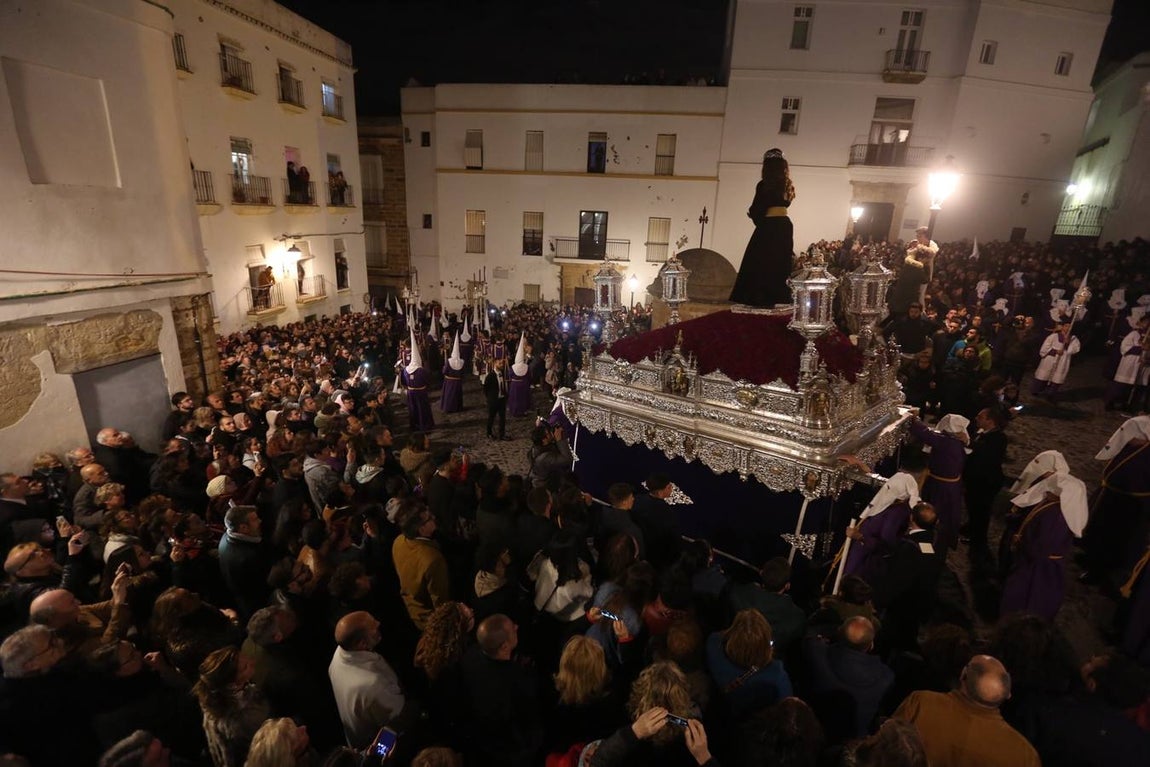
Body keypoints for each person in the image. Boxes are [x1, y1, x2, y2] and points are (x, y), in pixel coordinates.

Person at [892, 655, 1040, 767]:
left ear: (963, 674)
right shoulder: (1025, 755)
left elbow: (886, 750)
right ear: (1008, 694)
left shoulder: (920, 703)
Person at [999, 471, 1087, 621]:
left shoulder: (1057, 516)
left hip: (1039, 568)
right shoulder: (1051, 505)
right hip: (1031, 560)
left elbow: (1041, 548)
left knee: (1029, 598)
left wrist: (1021, 544)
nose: (1047, 490)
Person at [327, 611, 412, 749]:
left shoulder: (338, 655)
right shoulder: (373, 685)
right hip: (380, 744)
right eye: (374, 627)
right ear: (362, 644)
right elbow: (399, 718)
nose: (378, 623)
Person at [728, 148, 796, 308]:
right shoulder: (788, 185)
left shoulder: (764, 185)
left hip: (768, 225)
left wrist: (754, 215)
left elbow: (758, 207)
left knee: (759, 260)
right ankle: (778, 296)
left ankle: (758, 297)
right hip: (785, 225)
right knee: (779, 261)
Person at [909, 414, 968, 547]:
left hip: (940, 486)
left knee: (935, 513)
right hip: (953, 486)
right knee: (949, 514)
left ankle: (932, 541)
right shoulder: (959, 441)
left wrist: (914, 419)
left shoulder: (945, 442)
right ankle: (945, 541)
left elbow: (923, 433)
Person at [963, 406, 1008, 555]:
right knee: (973, 509)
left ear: (990, 421)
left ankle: (978, 543)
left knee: (981, 512)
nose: (976, 419)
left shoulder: (999, 438)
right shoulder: (982, 433)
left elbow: (987, 453)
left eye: (980, 417)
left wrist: (968, 442)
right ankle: (971, 531)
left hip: (986, 482)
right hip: (975, 480)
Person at [1032, 318, 1080, 399]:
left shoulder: (1073, 339)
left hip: (1062, 360)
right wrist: (1055, 351)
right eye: (1066, 326)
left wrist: (1067, 344)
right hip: (1050, 358)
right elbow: (1045, 348)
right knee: (1044, 375)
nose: (1068, 328)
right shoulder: (1053, 336)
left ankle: (1050, 394)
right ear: (1063, 327)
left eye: (1070, 326)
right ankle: (1036, 390)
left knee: (1056, 378)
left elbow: (1075, 349)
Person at [402, 325, 436, 433]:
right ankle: (425, 424)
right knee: (423, 409)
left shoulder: (406, 370)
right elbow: (427, 380)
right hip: (421, 393)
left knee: (413, 409)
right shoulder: (421, 371)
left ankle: (415, 425)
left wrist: (408, 387)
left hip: (411, 393)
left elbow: (403, 381)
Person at [905, 225, 939, 306]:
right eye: (917, 236)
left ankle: (921, 310)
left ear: (925, 235)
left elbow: (932, 253)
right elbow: (909, 253)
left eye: (919, 236)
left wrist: (918, 247)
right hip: (914, 271)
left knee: (920, 294)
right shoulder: (917, 243)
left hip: (925, 272)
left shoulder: (932, 244)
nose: (917, 237)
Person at [483, 357, 510, 440]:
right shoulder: (490, 376)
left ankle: (502, 434)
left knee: (502, 418)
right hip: (494, 400)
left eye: (502, 363)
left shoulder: (502, 374)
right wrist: (490, 398)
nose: (501, 365)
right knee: (491, 417)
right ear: (495, 364)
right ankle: (489, 433)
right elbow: (485, 388)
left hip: (501, 399)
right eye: (499, 363)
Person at [507, 331, 532, 417]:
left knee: (515, 398)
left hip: (515, 384)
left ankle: (515, 411)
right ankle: (523, 410)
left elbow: (510, 375)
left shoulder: (513, 367)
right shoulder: (526, 367)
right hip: (524, 384)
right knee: (523, 398)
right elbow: (529, 376)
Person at [440, 332, 465, 414]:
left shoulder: (449, 361)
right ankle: (457, 408)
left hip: (449, 381)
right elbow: (463, 373)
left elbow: (444, 371)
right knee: (456, 395)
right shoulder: (462, 362)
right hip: (458, 382)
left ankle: (448, 407)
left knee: (449, 395)